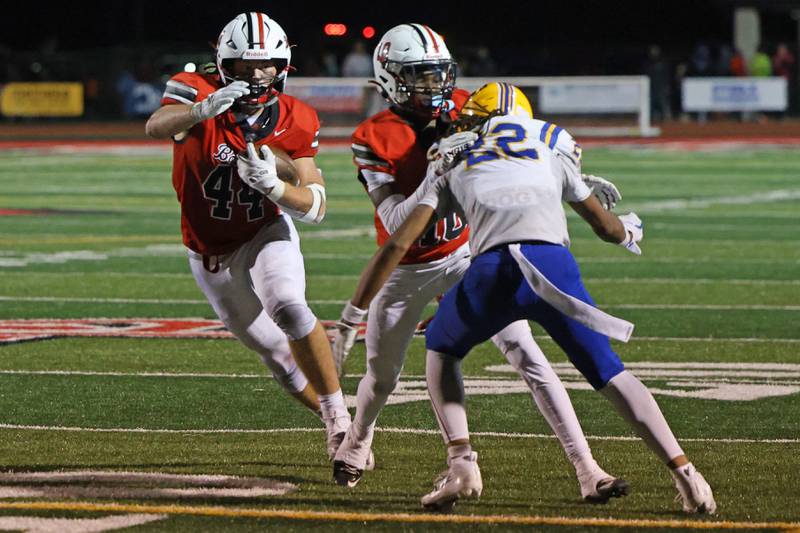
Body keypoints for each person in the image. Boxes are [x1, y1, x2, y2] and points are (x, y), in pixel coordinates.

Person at [341, 83, 717, 514]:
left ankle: (462, 463)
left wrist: (356, 311)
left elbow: (398, 242)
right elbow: (607, 229)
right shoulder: (552, 146)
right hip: (553, 266)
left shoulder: (452, 156)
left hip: (491, 272)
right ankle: (689, 477)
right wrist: (630, 228)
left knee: (442, 349)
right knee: (610, 373)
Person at [330, 24, 627, 504]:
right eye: (416, 77)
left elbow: (524, 148)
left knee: (527, 354)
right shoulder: (373, 136)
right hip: (408, 265)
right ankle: (359, 440)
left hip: (472, 252)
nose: (433, 88)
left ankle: (588, 468)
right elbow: (396, 222)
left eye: (436, 75)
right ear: (389, 78)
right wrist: (435, 168)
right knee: (383, 374)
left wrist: (570, 177)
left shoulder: (469, 105)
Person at [144, 12, 351, 459]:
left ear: (283, 65)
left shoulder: (296, 116)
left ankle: (341, 421)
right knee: (275, 353)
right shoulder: (194, 87)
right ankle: (328, 417)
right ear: (223, 64)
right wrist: (201, 110)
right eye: (242, 66)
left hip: (264, 230)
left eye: (266, 65)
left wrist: (275, 184)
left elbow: (316, 203)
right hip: (208, 251)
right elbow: (156, 126)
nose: (256, 75)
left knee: (291, 308)